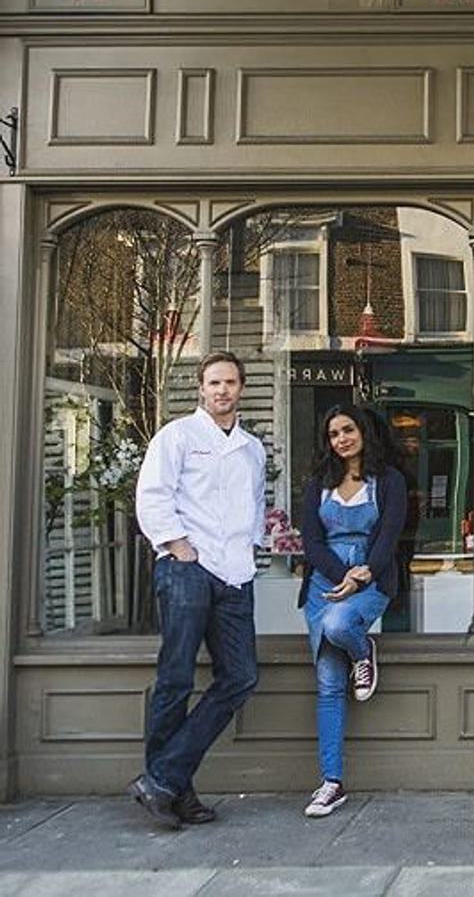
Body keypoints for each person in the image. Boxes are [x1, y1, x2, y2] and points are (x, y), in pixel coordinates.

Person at [130, 351, 266, 829]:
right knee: (176, 679)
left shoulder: (252, 448)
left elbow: (255, 504)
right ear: (201, 389)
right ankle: (174, 794)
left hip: (235, 575)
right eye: (214, 382)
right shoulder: (177, 436)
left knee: (241, 676)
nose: (222, 390)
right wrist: (178, 545)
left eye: (230, 382)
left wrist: (252, 551)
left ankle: (161, 780)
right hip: (187, 568)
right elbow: (151, 495)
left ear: (241, 387)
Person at [297, 404, 406, 818]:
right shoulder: (318, 485)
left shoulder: (388, 481)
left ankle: (363, 653)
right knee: (327, 685)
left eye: (348, 430)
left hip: (371, 577)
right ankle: (331, 782)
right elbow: (312, 542)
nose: (341, 439)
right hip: (324, 583)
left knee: (341, 623)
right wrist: (341, 575)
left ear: (363, 432)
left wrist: (362, 575)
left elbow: (390, 533)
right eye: (334, 434)